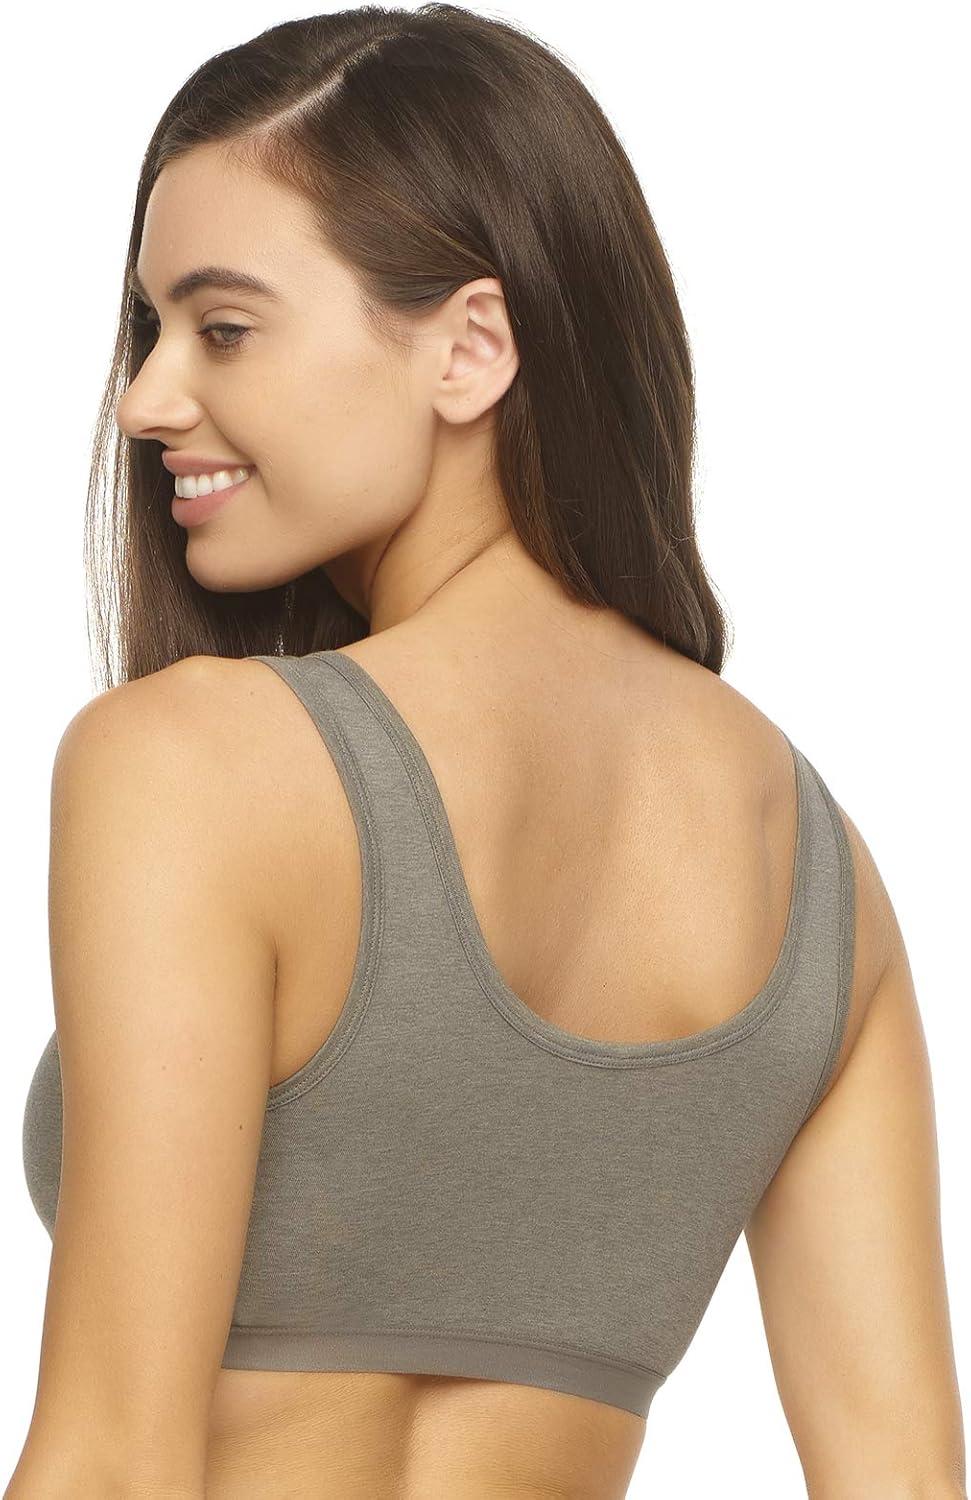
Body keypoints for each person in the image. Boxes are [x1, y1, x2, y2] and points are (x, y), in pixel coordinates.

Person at [10, 7, 966, 1499]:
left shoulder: (198, 764)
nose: (146, 400)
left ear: (469, 349)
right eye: (152, 333)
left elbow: (113, 1467)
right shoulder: (818, 874)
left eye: (225, 328)